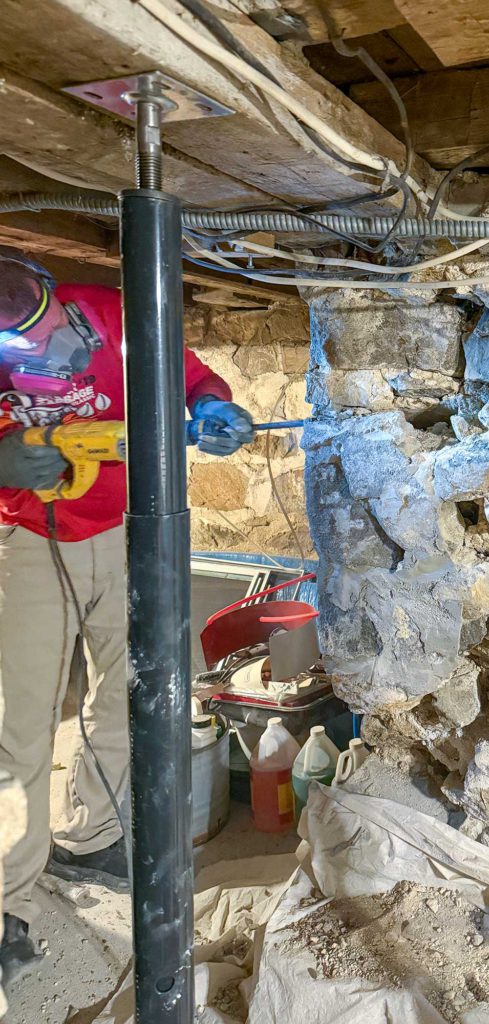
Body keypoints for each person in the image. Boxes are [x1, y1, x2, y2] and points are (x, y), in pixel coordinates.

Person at [0, 248, 254, 981]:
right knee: (20, 722)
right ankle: (11, 902)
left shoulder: (109, 313)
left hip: (126, 529)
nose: (38, 347)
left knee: (129, 690)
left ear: (50, 290)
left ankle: (90, 836)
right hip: (26, 540)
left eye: (40, 324)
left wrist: (210, 406)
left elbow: (194, 376)